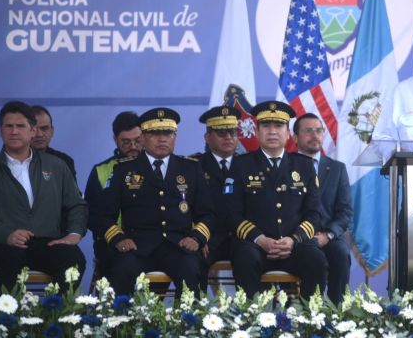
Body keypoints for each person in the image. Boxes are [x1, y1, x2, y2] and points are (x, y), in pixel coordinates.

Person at [0, 101, 87, 292]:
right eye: (9, 126)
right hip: (2, 244)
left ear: (32, 131)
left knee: (73, 258)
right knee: (8, 260)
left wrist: (73, 234)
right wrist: (6, 234)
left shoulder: (57, 166)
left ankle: (57, 314)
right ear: (0, 130)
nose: (14, 131)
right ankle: (9, 319)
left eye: (20, 126)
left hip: (46, 242)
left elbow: (76, 205)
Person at [96, 107, 214, 296]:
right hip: (138, 247)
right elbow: (104, 215)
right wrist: (118, 239)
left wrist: (196, 238)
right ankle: (122, 324)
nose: (162, 139)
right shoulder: (123, 170)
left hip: (179, 247)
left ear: (175, 136)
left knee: (192, 271)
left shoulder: (191, 168)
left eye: (168, 133)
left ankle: (188, 325)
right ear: (142, 137)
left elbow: (207, 213)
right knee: (121, 270)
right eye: (155, 133)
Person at [227, 101, 327, 298]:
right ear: (257, 131)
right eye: (266, 126)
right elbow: (232, 213)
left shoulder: (305, 166)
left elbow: (314, 214)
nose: (272, 131)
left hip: (294, 246)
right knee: (243, 257)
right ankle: (251, 319)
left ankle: (308, 320)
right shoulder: (240, 165)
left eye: (279, 126)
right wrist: (260, 239)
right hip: (255, 246)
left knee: (317, 259)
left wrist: (293, 239)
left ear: (288, 132)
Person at [293, 113, 353, 304]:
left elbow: (345, 212)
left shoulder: (337, 169)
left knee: (341, 254)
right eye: (308, 131)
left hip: (329, 235)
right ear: (295, 138)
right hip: (297, 236)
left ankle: (337, 313)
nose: (315, 135)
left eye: (319, 130)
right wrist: (301, 235)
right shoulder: (287, 166)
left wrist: (328, 235)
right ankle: (305, 314)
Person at [84, 111, 142, 273]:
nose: (133, 147)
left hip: (149, 239)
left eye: (138, 141)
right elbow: (91, 214)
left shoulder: (156, 167)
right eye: (126, 142)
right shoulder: (101, 171)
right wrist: (116, 237)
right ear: (115, 140)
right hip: (110, 241)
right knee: (125, 264)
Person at [193, 106, 241, 286]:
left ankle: (253, 312)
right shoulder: (193, 166)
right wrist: (197, 236)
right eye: (221, 132)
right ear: (207, 137)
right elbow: (185, 205)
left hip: (241, 238)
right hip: (209, 238)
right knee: (193, 262)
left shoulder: (249, 164)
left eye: (232, 131)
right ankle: (197, 310)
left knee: (252, 260)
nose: (228, 137)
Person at [30, 105, 77, 180]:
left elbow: (72, 192)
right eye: (33, 129)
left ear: (52, 131)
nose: (39, 134)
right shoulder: (13, 161)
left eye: (44, 128)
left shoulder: (64, 161)